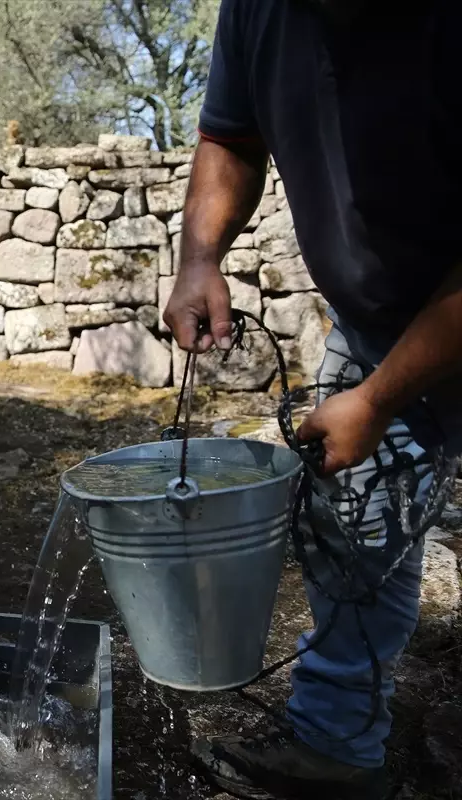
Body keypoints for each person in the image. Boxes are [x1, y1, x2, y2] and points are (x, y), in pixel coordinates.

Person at [164, 2, 461, 798]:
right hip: (372, 327)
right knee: (348, 529)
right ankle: (337, 746)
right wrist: (198, 257)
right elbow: (230, 135)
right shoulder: (260, 11)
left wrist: (380, 398)